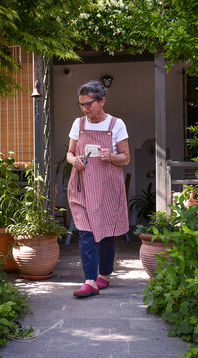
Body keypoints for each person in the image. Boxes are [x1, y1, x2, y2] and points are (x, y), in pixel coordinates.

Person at [67, 80, 130, 298]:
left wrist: (111, 156)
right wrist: (73, 160)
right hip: (83, 185)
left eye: (89, 104)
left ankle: (104, 274)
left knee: (106, 232)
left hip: (107, 186)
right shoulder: (78, 124)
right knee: (86, 231)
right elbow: (69, 153)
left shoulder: (116, 125)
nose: (85, 109)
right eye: (81, 105)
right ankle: (90, 281)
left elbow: (126, 158)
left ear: (102, 101)